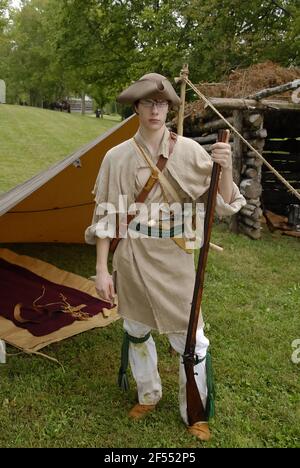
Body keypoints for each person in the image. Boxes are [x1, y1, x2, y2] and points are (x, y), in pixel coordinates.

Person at [85, 73, 246, 441]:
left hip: (174, 258)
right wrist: (100, 271)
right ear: (136, 108)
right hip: (133, 255)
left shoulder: (189, 151)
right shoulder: (116, 157)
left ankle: (196, 411)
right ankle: (148, 393)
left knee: (192, 339)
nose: (155, 110)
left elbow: (221, 204)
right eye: (147, 103)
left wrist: (227, 166)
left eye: (161, 104)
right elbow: (106, 218)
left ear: (169, 109)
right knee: (136, 328)